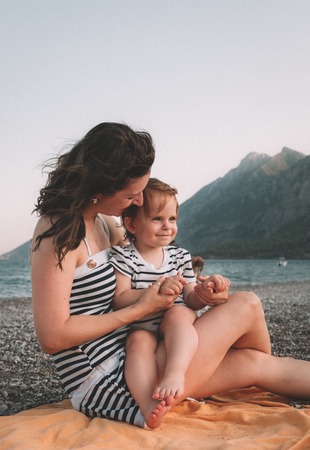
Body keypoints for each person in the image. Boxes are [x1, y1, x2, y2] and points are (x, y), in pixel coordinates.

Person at [31, 122, 310, 431]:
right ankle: (234, 362)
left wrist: (200, 294)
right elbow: (53, 337)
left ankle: (238, 362)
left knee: (250, 351)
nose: (138, 202)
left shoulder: (104, 225)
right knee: (247, 312)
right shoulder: (59, 234)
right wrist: (140, 309)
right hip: (110, 380)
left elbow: (144, 264)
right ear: (99, 188)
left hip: (141, 357)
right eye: (132, 195)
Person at [109, 177, 230, 426]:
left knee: (181, 314)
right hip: (141, 325)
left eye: (172, 219)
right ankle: (146, 403)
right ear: (131, 225)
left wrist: (205, 291)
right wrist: (154, 292)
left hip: (173, 322)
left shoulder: (179, 256)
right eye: (157, 219)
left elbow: (190, 296)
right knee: (137, 342)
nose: (167, 226)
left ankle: (175, 373)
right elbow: (120, 299)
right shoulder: (124, 257)